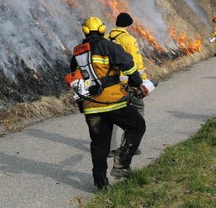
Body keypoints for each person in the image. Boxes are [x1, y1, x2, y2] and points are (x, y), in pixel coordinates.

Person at [66, 16, 154, 190]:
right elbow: (129, 64)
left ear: (85, 31)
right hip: (113, 102)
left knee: (99, 144)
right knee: (137, 126)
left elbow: (73, 74)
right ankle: (121, 165)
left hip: (91, 106)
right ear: (102, 30)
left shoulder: (78, 52)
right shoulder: (108, 46)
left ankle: (100, 183)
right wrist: (138, 84)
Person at [105, 12, 152, 156]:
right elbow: (135, 62)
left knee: (112, 113)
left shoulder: (106, 38)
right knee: (137, 109)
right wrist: (142, 81)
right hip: (128, 82)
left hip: (110, 83)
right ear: (128, 25)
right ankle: (130, 144)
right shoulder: (129, 39)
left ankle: (109, 148)